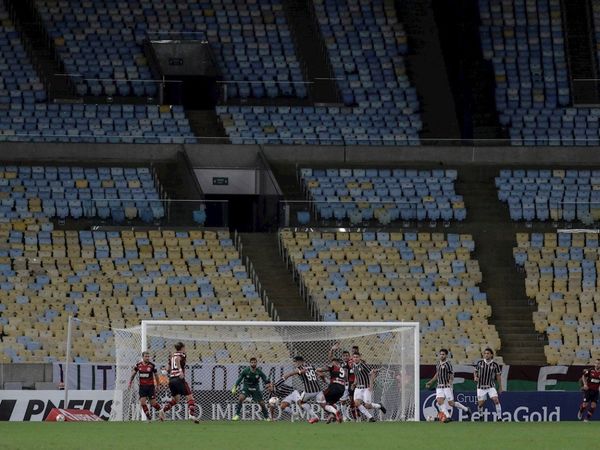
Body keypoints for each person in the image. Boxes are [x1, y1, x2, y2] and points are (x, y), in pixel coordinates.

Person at [425, 349, 471, 422]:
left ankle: (466, 409)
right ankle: (448, 416)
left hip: (447, 386)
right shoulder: (438, 364)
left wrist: (449, 383)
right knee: (439, 401)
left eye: (443, 354)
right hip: (439, 386)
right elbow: (437, 374)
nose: (441, 356)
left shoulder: (448, 364)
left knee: (451, 403)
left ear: (446, 355)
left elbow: (451, 375)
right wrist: (430, 382)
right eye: (440, 354)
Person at [159, 342, 199, 423]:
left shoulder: (172, 356)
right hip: (179, 379)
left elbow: (168, 368)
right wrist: (180, 371)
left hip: (171, 380)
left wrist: (164, 371)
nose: (185, 349)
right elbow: (177, 360)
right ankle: (191, 414)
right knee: (190, 397)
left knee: (176, 400)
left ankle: (163, 410)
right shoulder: (182, 354)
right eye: (185, 348)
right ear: (182, 348)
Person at [282, 356, 323, 423]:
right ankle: (332, 414)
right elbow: (319, 374)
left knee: (301, 403)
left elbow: (293, 373)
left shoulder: (299, 368)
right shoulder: (310, 365)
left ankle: (315, 416)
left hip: (309, 390)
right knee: (323, 403)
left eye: (295, 361)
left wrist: (285, 376)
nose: (295, 363)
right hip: (317, 389)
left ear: (300, 361)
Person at [351, 352, 386, 422]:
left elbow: (371, 374)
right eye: (354, 357)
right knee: (357, 403)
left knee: (368, 406)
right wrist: (354, 384)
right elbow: (356, 376)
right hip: (358, 388)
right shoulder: (353, 366)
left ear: (360, 357)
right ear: (352, 358)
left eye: (357, 357)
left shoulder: (363, 365)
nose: (355, 358)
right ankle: (370, 417)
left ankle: (379, 405)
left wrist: (371, 385)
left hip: (366, 388)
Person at [128, 351, 161, 421]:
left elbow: (156, 376)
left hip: (150, 387)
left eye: (148, 356)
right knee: (142, 402)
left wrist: (158, 385)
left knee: (153, 403)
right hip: (142, 387)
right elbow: (133, 374)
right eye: (146, 356)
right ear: (142, 357)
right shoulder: (138, 365)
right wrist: (130, 383)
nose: (147, 358)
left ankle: (161, 410)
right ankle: (148, 416)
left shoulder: (152, 365)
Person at [474, 348, 503, 422]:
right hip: (481, 386)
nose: (486, 355)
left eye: (488, 353)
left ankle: (499, 418)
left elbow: (498, 376)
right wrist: (475, 377)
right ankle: (480, 416)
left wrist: (500, 387)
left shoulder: (495, 365)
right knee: (480, 404)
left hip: (491, 386)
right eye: (485, 353)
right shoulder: (480, 363)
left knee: (496, 400)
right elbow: (475, 371)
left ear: (491, 355)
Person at [316, 358, 346, 423]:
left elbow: (320, 370)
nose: (332, 363)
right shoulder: (342, 369)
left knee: (321, 400)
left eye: (333, 362)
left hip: (334, 387)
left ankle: (335, 412)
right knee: (330, 403)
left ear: (336, 362)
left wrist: (316, 370)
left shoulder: (333, 367)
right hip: (342, 389)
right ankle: (333, 415)